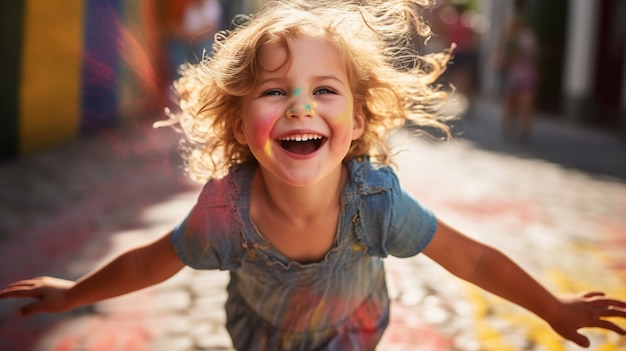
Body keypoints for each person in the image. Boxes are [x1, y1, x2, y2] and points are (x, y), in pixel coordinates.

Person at [1, 1, 625, 350]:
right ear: (241, 126)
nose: (301, 106)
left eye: (325, 90)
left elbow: (475, 261)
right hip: (259, 334)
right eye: (275, 92)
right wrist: (72, 294)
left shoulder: (376, 202)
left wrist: (553, 306)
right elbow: (150, 261)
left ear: (356, 123)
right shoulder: (226, 210)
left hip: (352, 330)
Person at [498, 14, 539, 142]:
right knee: (511, 101)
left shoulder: (526, 38)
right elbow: (502, 58)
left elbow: (533, 54)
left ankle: (524, 129)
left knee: (525, 103)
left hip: (526, 75)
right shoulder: (508, 39)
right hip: (513, 76)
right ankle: (510, 126)